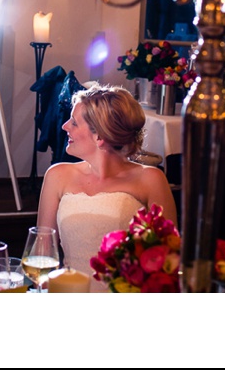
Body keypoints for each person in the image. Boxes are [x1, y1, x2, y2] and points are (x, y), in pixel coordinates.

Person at [37, 83, 178, 292]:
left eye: (74, 122)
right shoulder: (57, 175)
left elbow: (169, 258)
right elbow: (42, 252)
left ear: (100, 137)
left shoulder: (150, 179)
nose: (64, 126)